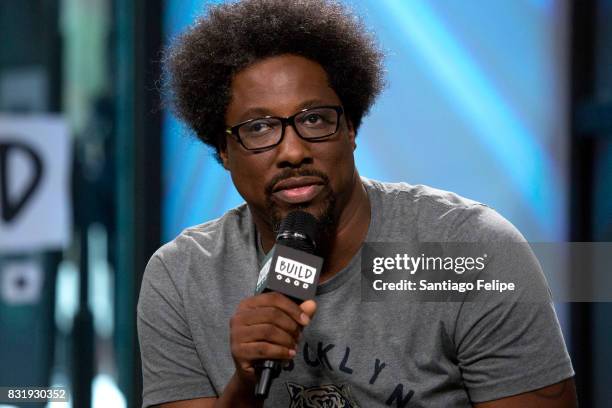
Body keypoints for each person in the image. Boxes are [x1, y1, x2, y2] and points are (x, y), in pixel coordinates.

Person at [137, 0, 576, 407]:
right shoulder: (180, 278)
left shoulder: (472, 252)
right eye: (259, 127)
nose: (292, 151)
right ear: (223, 151)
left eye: (314, 119)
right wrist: (244, 384)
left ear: (351, 129)